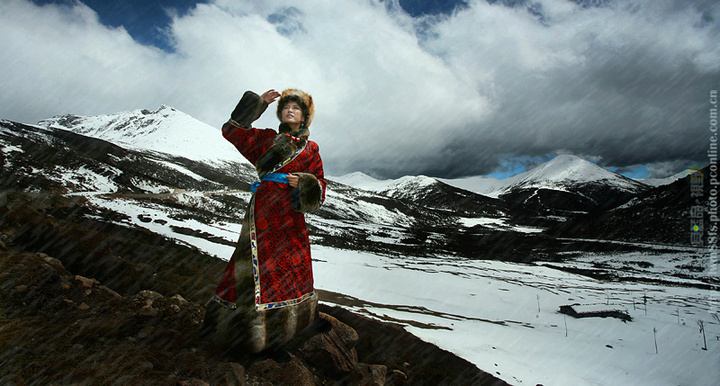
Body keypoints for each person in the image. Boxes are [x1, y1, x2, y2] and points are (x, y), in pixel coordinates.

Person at [202, 88, 327, 355]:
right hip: (265, 210)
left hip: (292, 214)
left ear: (304, 117)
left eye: (296, 108)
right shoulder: (266, 140)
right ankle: (245, 331)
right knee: (259, 263)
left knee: (294, 262)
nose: (289, 110)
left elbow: (320, 182)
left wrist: (304, 183)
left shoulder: (312, 149)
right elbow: (232, 131)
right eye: (285, 107)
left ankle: (294, 326)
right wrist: (257, 105)